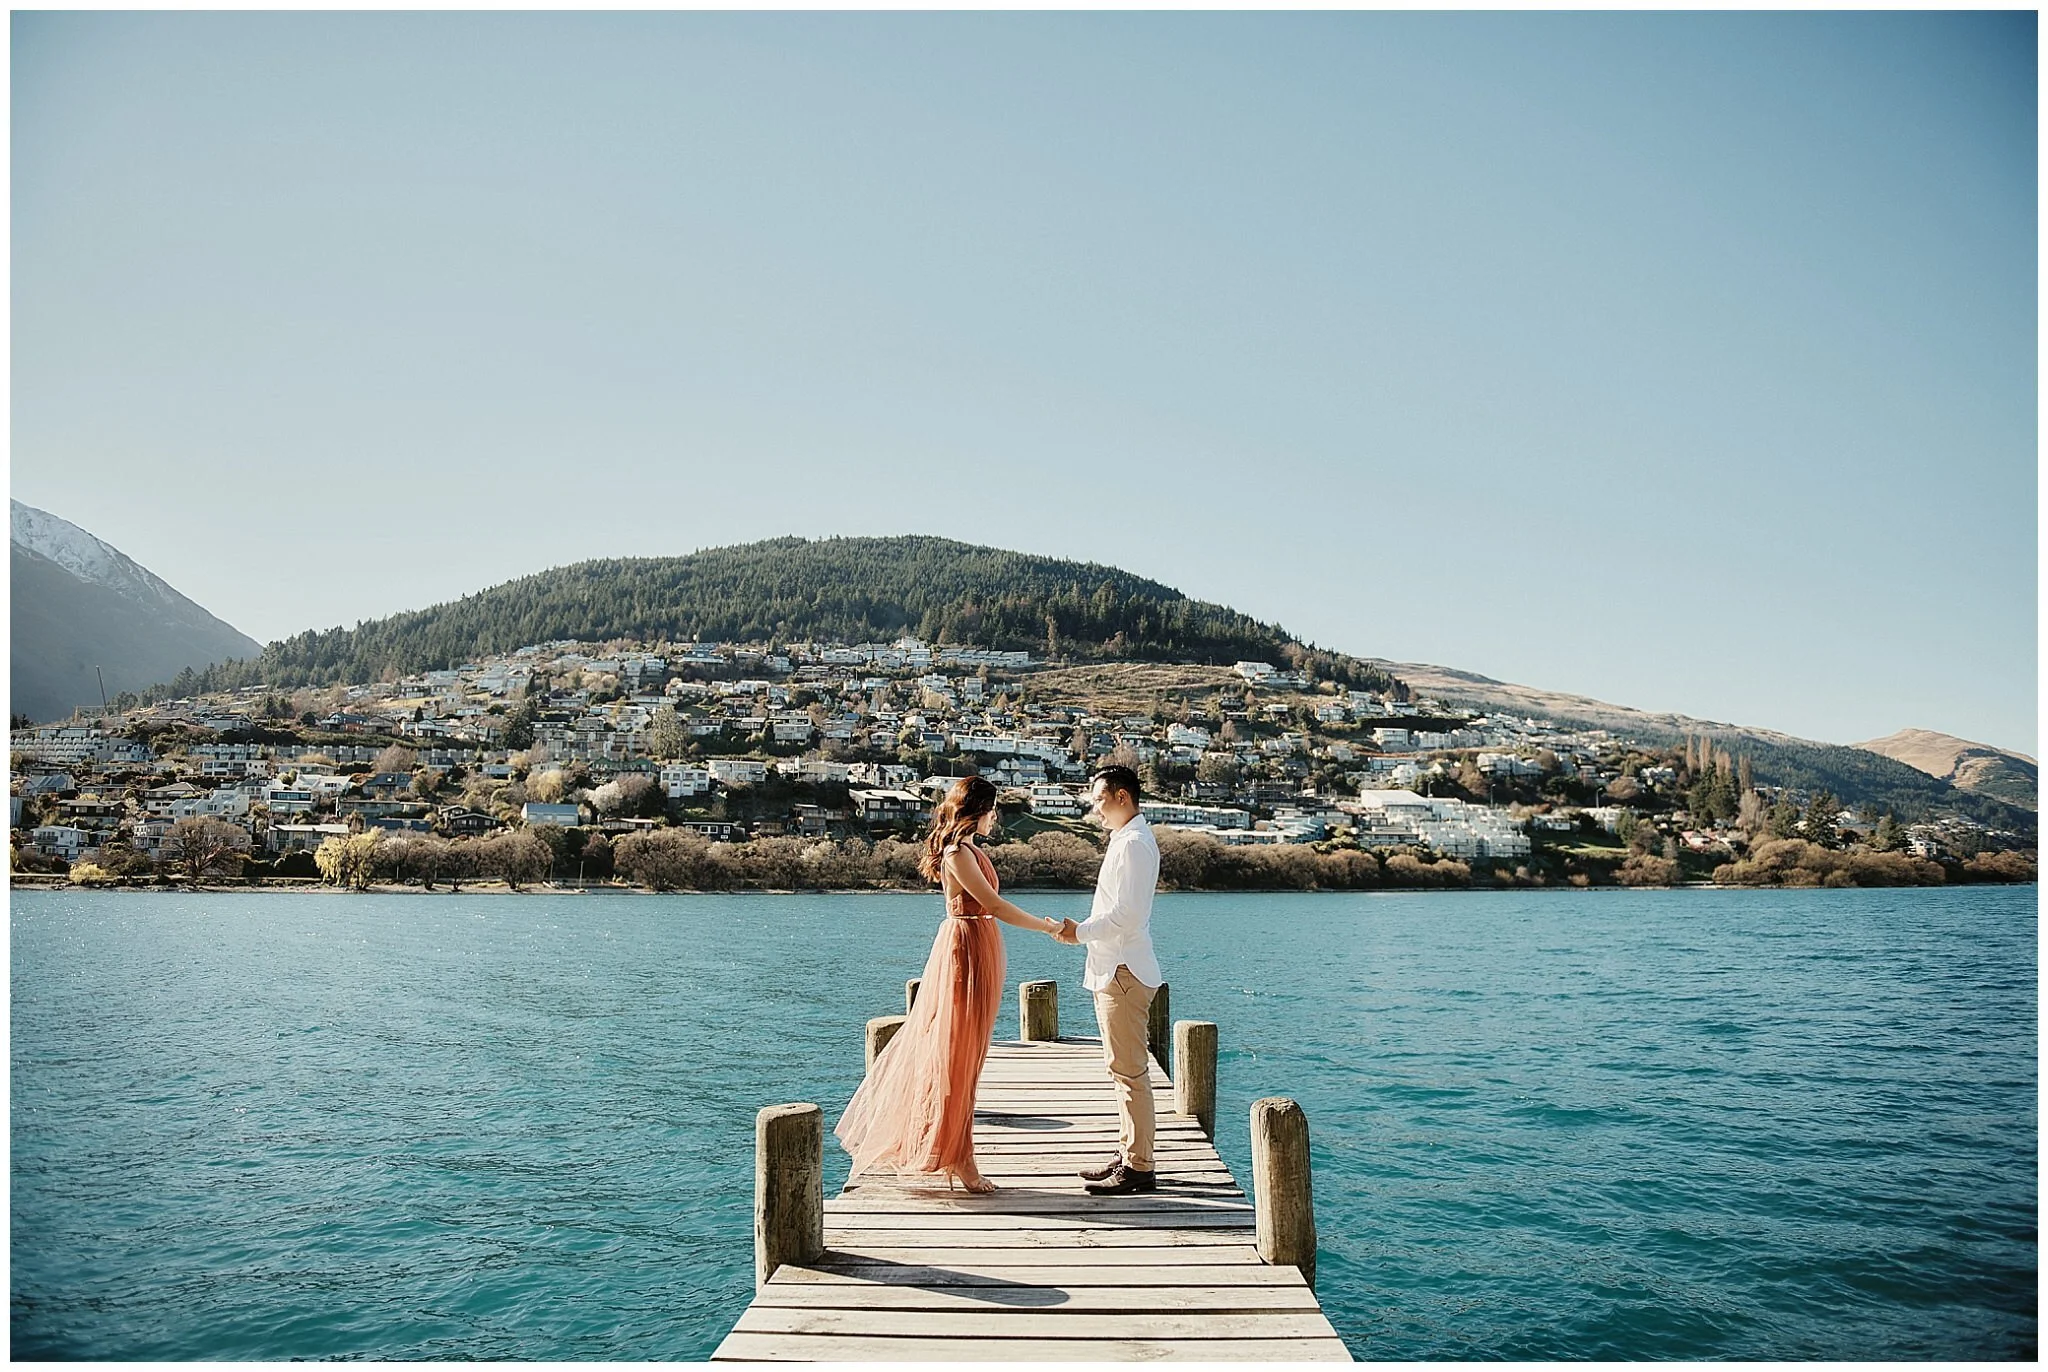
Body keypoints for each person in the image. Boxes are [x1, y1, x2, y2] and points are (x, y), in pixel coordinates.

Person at [834, 774, 1068, 1194]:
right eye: (993, 809)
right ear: (978, 809)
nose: (996, 817)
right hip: (965, 947)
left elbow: (991, 909)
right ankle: (958, 1157)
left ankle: (955, 1150)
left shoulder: (972, 848)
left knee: (969, 1055)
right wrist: (1046, 927)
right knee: (955, 1053)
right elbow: (993, 904)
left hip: (983, 943)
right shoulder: (957, 851)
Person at [1053, 764, 1164, 1196]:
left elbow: (1128, 915)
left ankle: (1139, 1167)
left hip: (1124, 970)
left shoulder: (1134, 843)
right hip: (1116, 968)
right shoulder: (1127, 840)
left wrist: (1076, 931)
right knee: (1122, 1070)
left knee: (1130, 1071)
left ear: (1122, 796)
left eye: (1099, 800)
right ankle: (1130, 1153)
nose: (1094, 809)